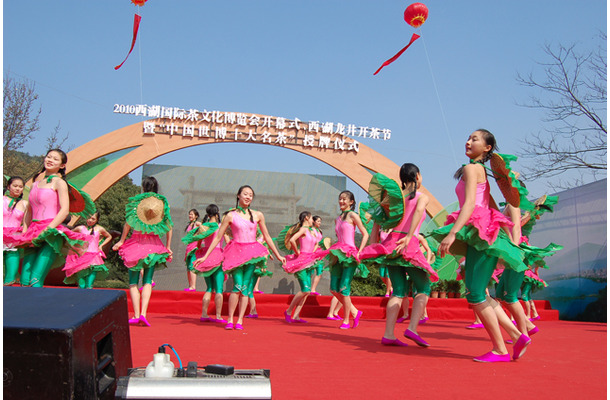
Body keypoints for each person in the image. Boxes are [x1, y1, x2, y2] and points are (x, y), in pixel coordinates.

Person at [431, 129, 529, 362]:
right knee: (476, 293)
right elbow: (492, 205)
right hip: (483, 233)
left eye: (474, 139)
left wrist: (452, 233)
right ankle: (517, 335)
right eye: (468, 137)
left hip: (480, 233)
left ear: (487, 148)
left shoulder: (472, 168)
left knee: (475, 294)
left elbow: (471, 205)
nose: (468, 141)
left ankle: (501, 349)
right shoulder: (480, 170)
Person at [361, 164, 439, 347]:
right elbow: (419, 212)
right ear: (417, 176)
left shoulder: (393, 199)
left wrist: (375, 245)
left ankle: (388, 334)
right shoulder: (422, 197)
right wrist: (410, 237)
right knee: (424, 288)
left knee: (397, 291)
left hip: (390, 245)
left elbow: (378, 221)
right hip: (407, 243)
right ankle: (412, 328)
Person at [193, 185, 286, 330]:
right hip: (236, 253)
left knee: (245, 289)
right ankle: (230, 319)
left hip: (252, 253)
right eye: (245, 194)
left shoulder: (258, 215)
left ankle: (240, 320)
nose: (248, 197)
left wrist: (278, 255)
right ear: (238, 195)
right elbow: (218, 237)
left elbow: (267, 236)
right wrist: (205, 256)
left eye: (250, 195)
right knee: (237, 286)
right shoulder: (230, 216)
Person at [15, 149, 87, 287]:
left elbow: (64, 210)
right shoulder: (35, 184)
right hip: (33, 232)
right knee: (24, 278)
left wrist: (47, 230)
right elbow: (29, 211)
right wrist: (24, 232)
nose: (50, 160)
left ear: (62, 165)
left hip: (51, 233)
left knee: (35, 278)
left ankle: (36, 308)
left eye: (55, 159)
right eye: (48, 157)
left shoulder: (59, 183)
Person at [112, 176, 173, 327]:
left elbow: (128, 223)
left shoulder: (137, 202)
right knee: (147, 281)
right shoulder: (161, 204)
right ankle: (144, 314)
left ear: (143, 188)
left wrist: (121, 240)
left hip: (136, 245)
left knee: (133, 283)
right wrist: (168, 246)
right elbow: (169, 226)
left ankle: (136, 314)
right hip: (154, 246)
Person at [327, 190, 369, 329]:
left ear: (351, 202)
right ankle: (355, 311)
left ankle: (346, 320)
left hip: (350, 255)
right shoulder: (337, 219)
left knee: (344, 288)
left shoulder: (353, 215)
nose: (341, 201)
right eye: (340, 199)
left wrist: (360, 251)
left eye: (344, 199)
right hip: (338, 253)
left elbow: (365, 234)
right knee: (334, 288)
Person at [283, 211, 329, 323]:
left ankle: (296, 316)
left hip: (310, 261)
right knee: (305, 290)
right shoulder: (303, 229)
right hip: (302, 261)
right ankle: (288, 311)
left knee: (307, 292)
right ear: (307, 218)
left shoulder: (310, 230)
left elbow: (316, 243)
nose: (313, 220)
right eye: (312, 218)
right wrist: (296, 252)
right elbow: (293, 240)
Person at [189, 204, 226, 323]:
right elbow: (227, 241)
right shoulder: (220, 226)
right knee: (219, 288)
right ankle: (219, 316)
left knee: (209, 287)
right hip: (218, 255)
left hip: (205, 256)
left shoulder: (204, 226)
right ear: (217, 213)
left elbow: (199, 244)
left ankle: (204, 314)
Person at [63, 211, 112, 288]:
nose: (90, 220)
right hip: (82, 257)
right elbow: (69, 234)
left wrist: (101, 245)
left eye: (93, 219)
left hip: (94, 258)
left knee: (89, 285)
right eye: (89, 218)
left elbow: (109, 236)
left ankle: (89, 298)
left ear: (97, 220)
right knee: (81, 284)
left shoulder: (100, 229)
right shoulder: (80, 228)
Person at [3, 176, 28, 285]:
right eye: (15, 186)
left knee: (11, 273)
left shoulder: (25, 204)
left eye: (20, 187)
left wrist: (25, 236)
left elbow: (27, 222)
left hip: (14, 238)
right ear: (8, 187)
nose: (18, 189)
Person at [183, 209, 201, 291]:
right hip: (188, 248)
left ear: (196, 216)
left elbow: (204, 228)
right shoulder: (189, 224)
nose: (190, 216)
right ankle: (190, 285)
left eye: (192, 214)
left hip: (194, 248)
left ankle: (193, 286)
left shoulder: (197, 223)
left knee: (192, 266)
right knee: (188, 267)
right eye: (189, 214)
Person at [309, 215, 326, 296]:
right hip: (313, 252)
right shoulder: (310, 230)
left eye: (320, 221)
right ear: (314, 221)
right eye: (318, 221)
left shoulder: (320, 231)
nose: (320, 223)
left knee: (319, 272)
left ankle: (313, 289)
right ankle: (307, 289)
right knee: (311, 271)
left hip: (320, 253)